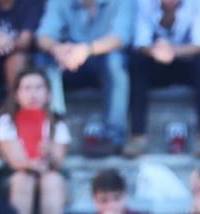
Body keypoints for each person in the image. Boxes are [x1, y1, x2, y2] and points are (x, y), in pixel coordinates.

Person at [0, 66, 68, 214]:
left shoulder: (57, 123)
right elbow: (15, 160)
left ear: (48, 94)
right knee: (22, 179)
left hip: (48, 176)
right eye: (27, 88)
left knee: (53, 181)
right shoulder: (6, 122)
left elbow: (59, 161)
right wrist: (34, 164)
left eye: (38, 88)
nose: (33, 93)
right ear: (17, 94)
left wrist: (50, 153)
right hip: (14, 178)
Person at [36, 0, 130, 151]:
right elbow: (43, 35)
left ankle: (114, 136)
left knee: (116, 61)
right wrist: (56, 48)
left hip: (101, 55)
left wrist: (86, 50)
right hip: (69, 58)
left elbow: (120, 37)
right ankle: (53, 130)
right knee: (44, 59)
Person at [128, 0, 200, 157]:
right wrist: (156, 52)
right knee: (136, 62)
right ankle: (138, 137)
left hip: (188, 60)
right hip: (156, 60)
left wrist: (172, 51)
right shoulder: (144, 2)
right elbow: (140, 42)